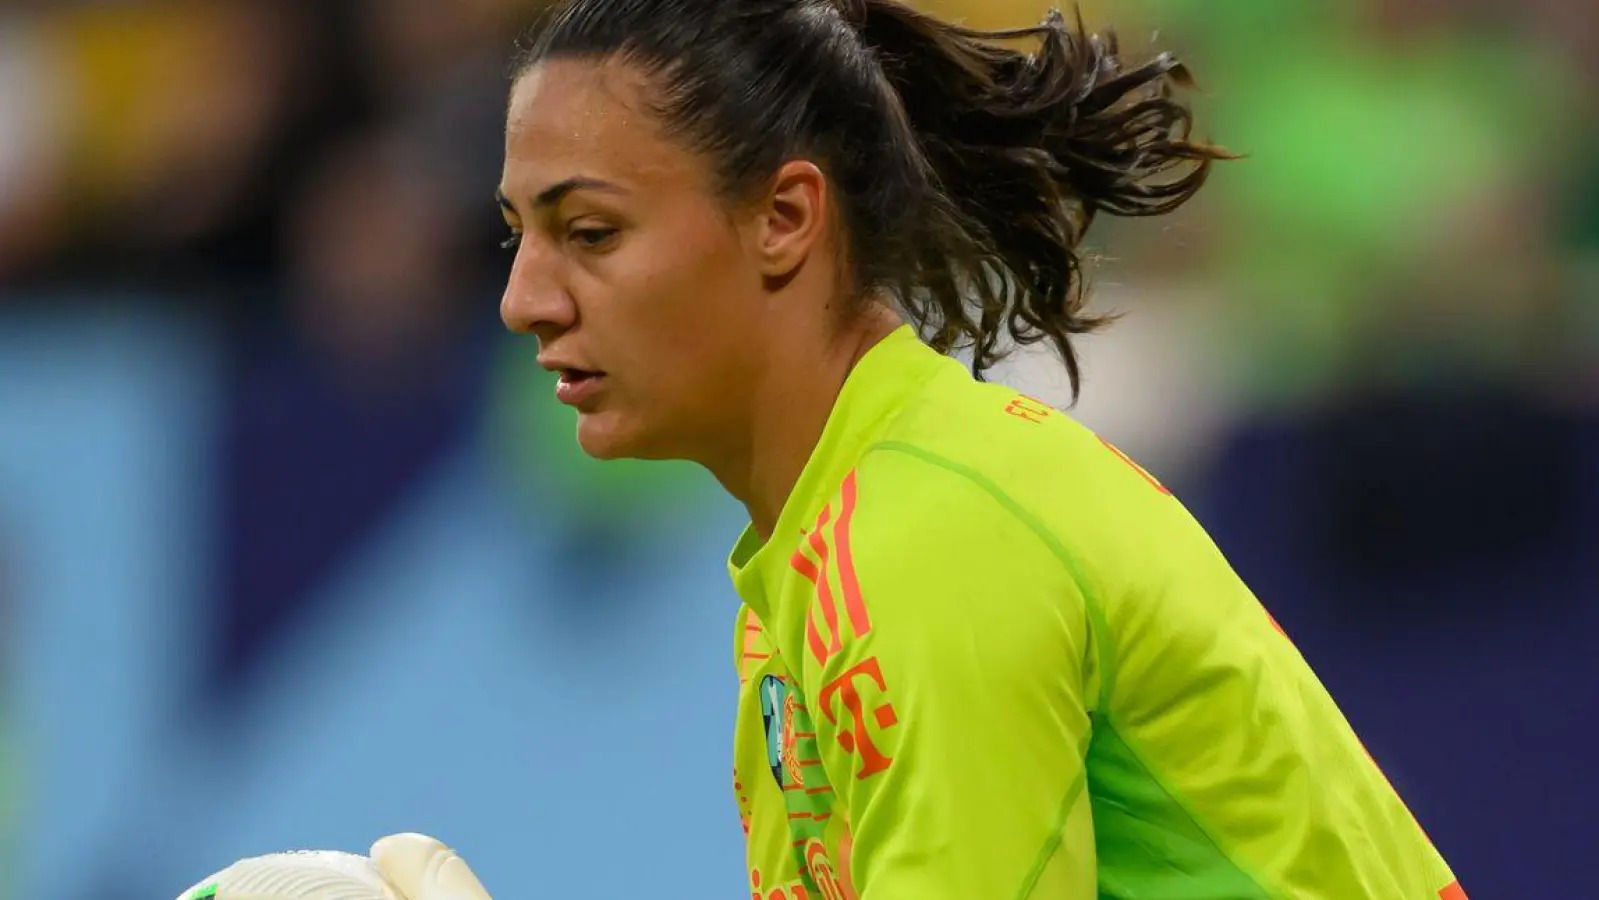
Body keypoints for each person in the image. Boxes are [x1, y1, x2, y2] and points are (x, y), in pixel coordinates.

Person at [179, 1, 1466, 898]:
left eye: (591, 231)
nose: (523, 297)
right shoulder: (814, 563)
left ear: (785, 220)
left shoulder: (930, 540)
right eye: (517, 233)